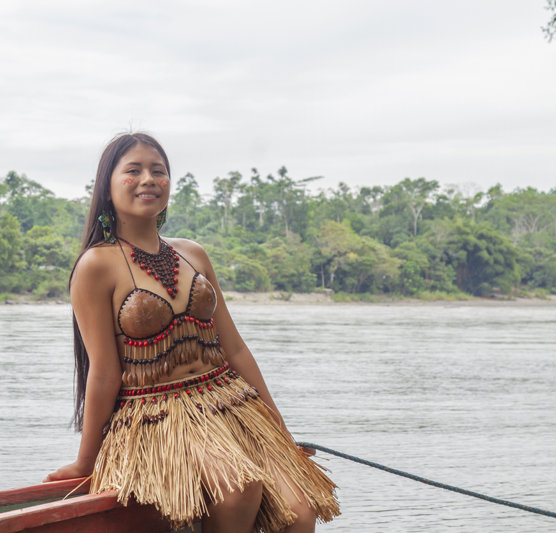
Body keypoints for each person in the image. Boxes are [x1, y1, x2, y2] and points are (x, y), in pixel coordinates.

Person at [44, 132, 339, 532]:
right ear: (107, 186)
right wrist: (85, 461)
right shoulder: (95, 266)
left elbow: (234, 349)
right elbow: (103, 372)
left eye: (158, 171)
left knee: (299, 513)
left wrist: (281, 431)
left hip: (234, 405)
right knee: (238, 487)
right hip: (158, 417)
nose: (148, 179)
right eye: (133, 170)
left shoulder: (192, 253)